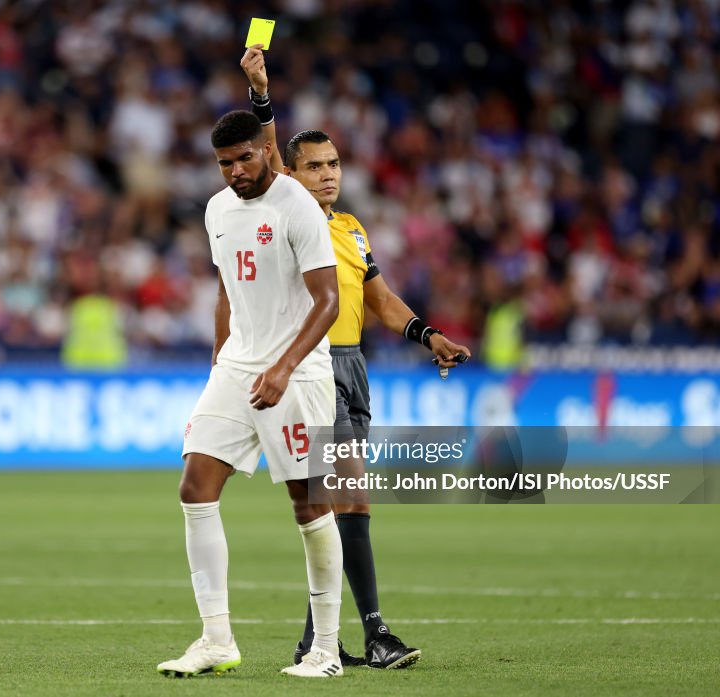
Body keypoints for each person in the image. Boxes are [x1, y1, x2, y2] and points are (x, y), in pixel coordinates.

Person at [240, 44, 473, 669]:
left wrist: (428, 335)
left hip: (352, 368)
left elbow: (381, 300)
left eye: (334, 164)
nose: (327, 175)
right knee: (351, 500)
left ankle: (314, 640)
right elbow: (267, 151)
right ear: (291, 174)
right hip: (311, 370)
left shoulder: (350, 229)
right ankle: (375, 633)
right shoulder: (286, 215)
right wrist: (261, 94)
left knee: (337, 509)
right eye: (313, 166)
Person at [156, 111, 347, 679]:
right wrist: (220, 357)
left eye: (244, 158)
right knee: (195, 487)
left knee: (309, 505)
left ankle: (326, 650)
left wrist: (284, 367)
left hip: (299, 373)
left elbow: (329, 301)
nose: (235, 171)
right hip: (237, 368)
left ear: (266, 150)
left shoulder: (297, 206)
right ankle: (216, 639)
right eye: (224, 164)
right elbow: (227, 287)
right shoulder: (217, 209)